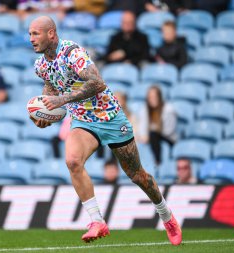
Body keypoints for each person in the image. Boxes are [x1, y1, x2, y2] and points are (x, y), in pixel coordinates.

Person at [28, 16, 182, 245]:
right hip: (82, 121)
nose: (31, 39)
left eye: (35, 33)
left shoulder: (72, 52)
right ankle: (96, 220)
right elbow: (51, 87)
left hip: (109, 117)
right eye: (30, 34)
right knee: (72, 161)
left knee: (137, 175)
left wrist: (62, 99)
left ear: (51, 33)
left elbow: (97, 83)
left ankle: (166, 214)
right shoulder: (40, 65)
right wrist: (45, 114)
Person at [137, 86, 177, 165]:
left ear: (159, 97)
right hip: (152, 138)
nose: (152, 99)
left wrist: (151, 132)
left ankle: (158, 161)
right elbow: (142, 127)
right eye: (150, 97)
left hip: (168, 138)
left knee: (153, 134)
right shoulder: (145, 110)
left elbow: (169, 130)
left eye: (154, 97)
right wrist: (143, 136)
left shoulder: (168, 109)